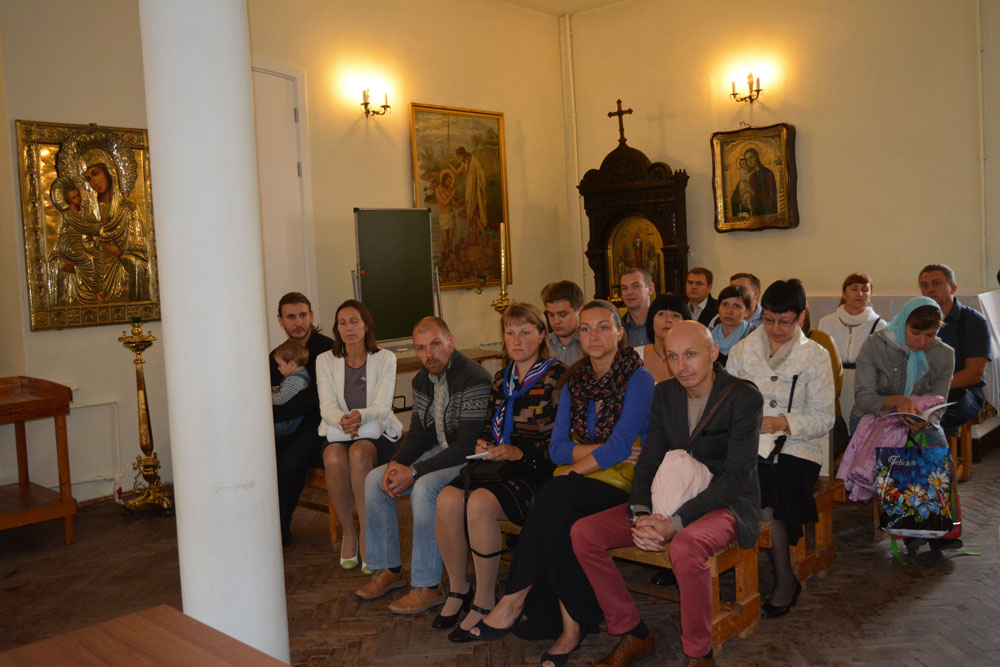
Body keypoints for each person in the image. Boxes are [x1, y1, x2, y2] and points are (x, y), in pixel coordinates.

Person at [469, 301, 654, 667]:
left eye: (603, 327)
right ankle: (571, 626)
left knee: (552, 497)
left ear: (620, 332)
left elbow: (620, 448)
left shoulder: (639, 378)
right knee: (558, 518)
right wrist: (594, 455)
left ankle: (515, 599)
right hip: (579, 482)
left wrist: (574, 468)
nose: (593, 336)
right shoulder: (574, 381)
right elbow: (557, 449)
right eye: (586, 329)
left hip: (623, 484)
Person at [571, 321, 763, 667]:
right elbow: (649, 460)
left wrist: (674, 522)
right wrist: (642, 514)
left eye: (690, 355)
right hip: (670, 495)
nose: (681, 366)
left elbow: (736, 476)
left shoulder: (743, 397)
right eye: (672, 357)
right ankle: (634, 632)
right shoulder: (665, 394)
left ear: (713, 353)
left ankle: (699, 654)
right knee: (585, 533)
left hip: (725, 502)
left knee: (686, 546)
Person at [434, 303, 566, 641]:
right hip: (499, 466)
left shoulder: (557, 377)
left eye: (525, 332)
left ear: (542, 335)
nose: (516, 340)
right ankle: (459, 589)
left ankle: (484, 601)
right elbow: (490, 425)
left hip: (537, 470)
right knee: (447, 499)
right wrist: (484, 442)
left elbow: (562, 442)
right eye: (510, 333)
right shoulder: (501, 378)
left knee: (478, 504)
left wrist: (520, 451)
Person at [356, 317, 492, 614]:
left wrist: (415, 472)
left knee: (424, 489)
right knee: (375, 480)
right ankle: (390, 570)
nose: (429, 354)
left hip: (470, 458)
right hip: (440, 451)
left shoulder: (475, 378)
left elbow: (466, 445)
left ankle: (428, 586)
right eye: (421, 348)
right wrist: (397, 463)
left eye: (435, 344)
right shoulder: (421, 381)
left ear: (450, 341)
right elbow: (419, 434)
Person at [725, 279, 835, 619]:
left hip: (797, 447)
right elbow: (726, 400)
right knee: (719, 476)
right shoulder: (743, 349)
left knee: (768, 488)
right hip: (750, 444)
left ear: (801, 317)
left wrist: (783, 422)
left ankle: (785, 578)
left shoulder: (815, 356)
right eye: (769, 320)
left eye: (785, 322)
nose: (775, 329)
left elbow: (825, 417)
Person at [849, 297, 957, 552]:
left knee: (932, 439)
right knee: (899, 441)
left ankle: (931, 525)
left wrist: (925, 421)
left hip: (919, 420)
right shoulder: (876, 345)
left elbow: (939, 403)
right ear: (903, 323)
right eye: (915, 333)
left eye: (930, 335)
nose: (921, 341)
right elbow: (863, 398)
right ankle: (915, 527)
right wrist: (896, 401)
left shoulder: (944, 354)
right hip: (873, 418)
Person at [316, 300, 403, 572]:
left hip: (375, 430)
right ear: (336, 329)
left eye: (354, 321)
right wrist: (343, 420)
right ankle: (349, 533)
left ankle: (367, 532)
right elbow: (327, 407)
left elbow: (382, 406)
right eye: (342, 323)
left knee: (358, 453)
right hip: (339, 429)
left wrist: (358, 417)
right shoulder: (325, 360)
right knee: (332, 457)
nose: (349, 328)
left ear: (366, 326)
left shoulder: (386, 359)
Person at [270, 292, 335, 546]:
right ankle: (258, 525)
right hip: (286, 424)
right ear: (280, 320)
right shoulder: (278, 355)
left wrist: (272, 413)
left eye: (303, 315)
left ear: (311, 315)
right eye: (291, 317)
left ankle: (279, 531)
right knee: (256, 455)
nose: (298, 322)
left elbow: (315, 400)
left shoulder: (328, 349)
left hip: (319, 425)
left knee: (290, 461)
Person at [918, 264, 992, 433]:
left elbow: (975, 374)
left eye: (936, 283)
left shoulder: (974, 321)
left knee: (930, 419)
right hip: (922, 390)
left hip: (962, 391)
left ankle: (933, 451)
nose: (930, 289)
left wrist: (933, 386)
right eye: (924, 285)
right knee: (890, 415)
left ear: (953, 288)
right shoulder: (916, 321)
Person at [817, 273, 886, 426]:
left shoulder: (880, 326)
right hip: (833, 387)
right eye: (854, 289)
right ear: (844, 293)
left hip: (865, 388)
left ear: (871, 296)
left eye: (865, 290)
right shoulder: (826, 323)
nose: (859, 293)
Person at [82, 162, 151, 302]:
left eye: (96, 174)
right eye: (88, 179)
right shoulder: (86, 211)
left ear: (109, 172)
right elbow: (80, 243)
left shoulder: (129, 209)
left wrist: (120, 253)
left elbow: (143, 257)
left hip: (121, 271)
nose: (93, 182)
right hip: (94, 269)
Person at [636, 293, 687, 384]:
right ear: (652, 320)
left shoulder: (691, 359)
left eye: (675, 316)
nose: (668, 320)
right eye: (662, 314)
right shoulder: (635, 356)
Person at [272, 340, 310, 437]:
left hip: (288, 424)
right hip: (288, 421)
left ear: (291, 364)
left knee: (263, 427)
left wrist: (266, 399)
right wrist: (276, 389)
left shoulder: (296, 380)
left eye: (279, 365)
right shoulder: (296, 376)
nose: (278, 368)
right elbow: (287, 391)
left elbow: (280, 400)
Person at [541, 280, 585, 365]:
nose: (556, 321)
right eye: (551, 315)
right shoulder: (542, 345)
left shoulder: (591, 343)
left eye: (562, 314)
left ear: (580, 311)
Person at [453, 146, 488, 246]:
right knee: (473, 215)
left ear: (463, 154)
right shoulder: (465, 161)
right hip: (469, 189)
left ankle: (485, 236)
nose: (459, 159)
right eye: (458, 157)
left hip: (475, 191)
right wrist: (449, 165)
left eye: (460, 156)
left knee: (475, 215)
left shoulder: (473, 159)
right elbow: (457, 172)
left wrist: (477, 175)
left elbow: (478, 171)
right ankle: (476, 238)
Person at [710, 284, 752, 365]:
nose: (729, 311)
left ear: (746, 312)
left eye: (736, 306)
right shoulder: (709, 335)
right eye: (725, 304)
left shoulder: (752, 337)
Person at [729, 148, 777, 216]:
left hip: (764, 213)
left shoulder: (767, 173)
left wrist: (753, 195)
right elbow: (734, 199)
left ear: (756, 157)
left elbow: (770, 197)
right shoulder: (747, 175)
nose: (749, 161)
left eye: (751, 157)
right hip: (749, 213)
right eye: (746, 160)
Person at [620, 268, 655, 346]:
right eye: (624, 288)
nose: (629, 292)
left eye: (635, 286)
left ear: (650, 289)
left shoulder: (664, 324)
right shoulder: (618, 329)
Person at [436, 169, 457, 256]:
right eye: (448, 181)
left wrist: (459, 202)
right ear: (444, 179)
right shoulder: (438, 189)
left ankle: (450, 259)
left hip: (451, 215)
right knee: (445, 242)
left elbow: (452, 204)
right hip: (444, 217)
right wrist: (452, 195)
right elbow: (444, 204)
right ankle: (443, 259)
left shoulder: (449, 190)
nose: (449, 183)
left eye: (450, 181)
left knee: (450, 242)